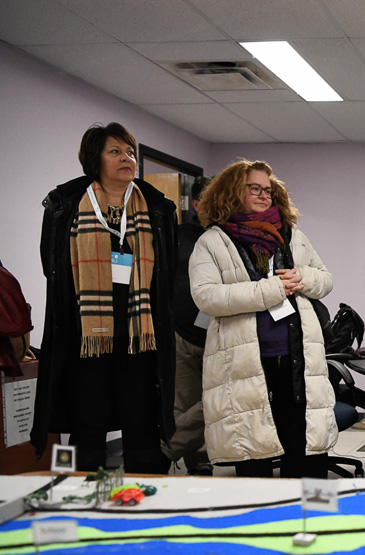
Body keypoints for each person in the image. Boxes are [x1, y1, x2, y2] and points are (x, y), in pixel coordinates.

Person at [30, 123, 177, 474]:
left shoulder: (157, 207)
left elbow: (168, 271)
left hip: (140, 334)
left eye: (130, 152)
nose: (127, 158)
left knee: (141, 418)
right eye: (115, 152)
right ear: (94, 159)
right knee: (87, 419)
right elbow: (51, 265)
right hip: (86, 335)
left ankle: (145, 496)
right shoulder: (64, 205)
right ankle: (82, 495)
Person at [189, 160, 336, 478]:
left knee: (307, 451)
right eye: (253, 188)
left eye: (267, 190)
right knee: (254, 454)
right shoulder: (213, 242)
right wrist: (270, 290)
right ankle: (265, 525)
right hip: (246, 366)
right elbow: (206, 296)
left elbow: (325, 280)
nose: (263, 195)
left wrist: (303, 278)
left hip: (298, 360)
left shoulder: (292, 235)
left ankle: (317, 524)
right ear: (231, 192)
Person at [161, 175, 213, 475]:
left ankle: (166, 449)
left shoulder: (228, 238)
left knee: (213, 402)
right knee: (185, 401)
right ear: (195, 204)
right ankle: (197, 460)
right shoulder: (175, 235)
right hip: (180, 332)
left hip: (217, 334)